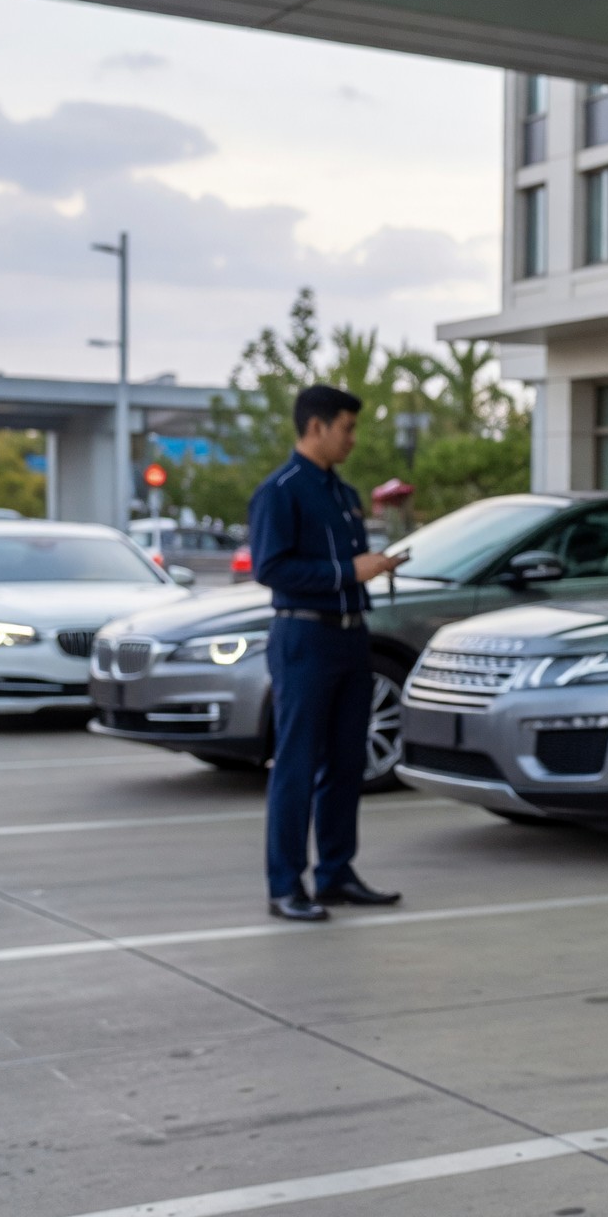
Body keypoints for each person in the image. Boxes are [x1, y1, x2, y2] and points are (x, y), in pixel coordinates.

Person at [248, 383, 403, 921]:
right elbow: (271, 567)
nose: (352, 439)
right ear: (316, 426)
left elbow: (350, 565)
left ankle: (336, 873)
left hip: (349, 635)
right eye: (347, 427)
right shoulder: (281, 491)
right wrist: (347, 572)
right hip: (304, 637)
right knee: (296, 762)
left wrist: (374, 568)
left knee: (344, 760)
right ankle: (285, 885)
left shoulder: (342, 493)